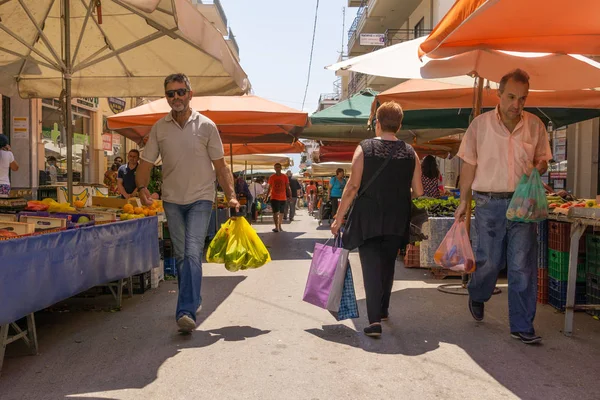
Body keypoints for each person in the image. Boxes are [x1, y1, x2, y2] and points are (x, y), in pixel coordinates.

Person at [135, 73, 239, 333]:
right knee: (182, 256)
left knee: (192, 253)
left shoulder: (206, 126)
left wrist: (231, 195)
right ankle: (194, 299)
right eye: (171, 93)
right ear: (166, 97)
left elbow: (220, 165)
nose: (176, 97)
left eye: (181, 92)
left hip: (201, 199)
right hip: (171, 200)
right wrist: (141, 187)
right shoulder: (159, 127)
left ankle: (185, 311)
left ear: (190, 94)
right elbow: (146, 163)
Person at [454, 69, 552, 345]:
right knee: (489, 262)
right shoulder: (479, 125)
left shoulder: (535, 126)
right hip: (488, 202)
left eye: (522, 98)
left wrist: (538, 166)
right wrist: (464, 201)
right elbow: (469, 164)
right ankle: (478, 292)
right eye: (511, 96)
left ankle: (522, 326)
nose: (516, 104)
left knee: (522, 265)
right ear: (498, 93)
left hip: (524, 204)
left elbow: (543, 159)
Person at [331, 101, 423, 338]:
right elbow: (419, 191)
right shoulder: (410, 152)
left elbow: (352, 187)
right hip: (397, 217)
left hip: (368, 216)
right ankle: (382, 310)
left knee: (371, 266)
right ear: (399, 125)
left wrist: (339, 218)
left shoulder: (364, 148)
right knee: (388, 264)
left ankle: (374, 321)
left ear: (377, 123)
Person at [267, 163, 291, 232]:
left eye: (278, 167)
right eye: (276, 167)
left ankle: (279, 225)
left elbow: (287, 187)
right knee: (275, 212)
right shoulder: (272, 177)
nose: (277, 168)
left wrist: (289, 195)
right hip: (274, 197)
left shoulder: (285, 177)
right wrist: (266, 197)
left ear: (281, 168)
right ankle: (276, 227)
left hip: (283, 197)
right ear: (274, 168)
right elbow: (269, 188)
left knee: (281, 213)